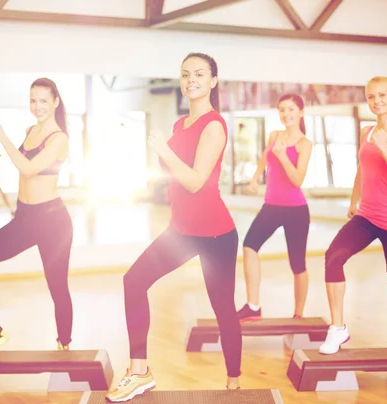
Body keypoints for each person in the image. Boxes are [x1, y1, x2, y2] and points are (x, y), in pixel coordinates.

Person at [105, 53, 242, 402]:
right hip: (181, 231)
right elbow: (175, 178)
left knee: (223, 308)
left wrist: (163, 152)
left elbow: (197, 181)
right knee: (133, 281)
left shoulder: (214, 125)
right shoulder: (181, 125)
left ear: (213, 81)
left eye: (199, 74)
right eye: (185, 74)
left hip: (215, 234)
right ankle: (139, 372)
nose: (190, 79)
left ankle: (235, 383)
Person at [0, 78, 74, 359]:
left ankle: (65, 346)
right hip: (26, 217)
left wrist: (2, 138)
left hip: (52, 222)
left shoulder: (59, 139)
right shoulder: (32, 130)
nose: (37, 107)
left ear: (56, 102)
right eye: (33, 100)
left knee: (57, 286)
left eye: (44, 101)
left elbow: (28, 168)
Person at [319, 76, 387, 355]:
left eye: (382, 95)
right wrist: (354, 201)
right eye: (371, 96)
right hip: (367, 215)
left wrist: (385, 146)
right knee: (333, 257)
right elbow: (362, 168)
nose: (377, 101)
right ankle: (338, 328)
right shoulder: (366, 132)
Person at [237, 94, 312, 321]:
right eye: (281, 110)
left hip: (296, 210)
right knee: (249, 246)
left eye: (290, 109)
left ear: (301, 112)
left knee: (297, 264)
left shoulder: (304, 144)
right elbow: (264, 158)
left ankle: (298, 314)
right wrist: (255, 178)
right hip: (271, 206)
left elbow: (297, 180)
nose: (286, 114)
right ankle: (253, 306)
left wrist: (282, 156)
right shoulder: (274, 136)